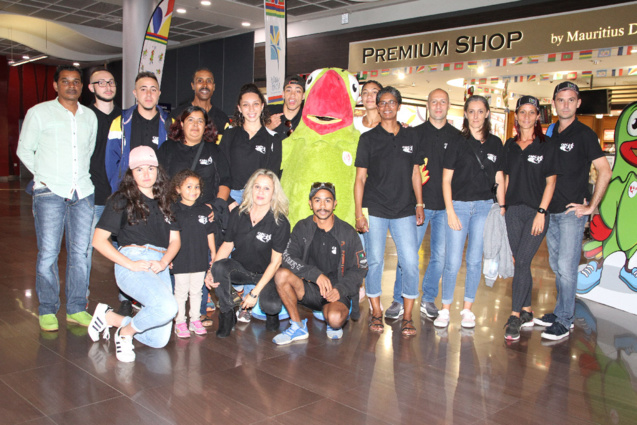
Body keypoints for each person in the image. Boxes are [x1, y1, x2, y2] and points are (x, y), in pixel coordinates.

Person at [17, 65, 97, 332]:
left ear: (82, 87)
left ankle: (76, 308)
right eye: (65, 81)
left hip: (83, 192)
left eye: (76, 82)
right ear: (55, 85)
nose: (71, 86)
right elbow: (24, 150)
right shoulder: (38, 113)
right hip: (49, 192)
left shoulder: (90, 117)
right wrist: (45, 177)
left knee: (80, 253)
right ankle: (48, 309)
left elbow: (89, 149)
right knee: (49, 254)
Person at [534, 82, 612, 340]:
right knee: (557, 266)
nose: (565, 104)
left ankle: (565, 320)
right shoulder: (552, 132)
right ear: (554, 103)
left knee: (566, 269)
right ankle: (560, 312)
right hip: (551, 212)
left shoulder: (585, 134)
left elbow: (605, 170)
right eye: (560, 100)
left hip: (571, 213)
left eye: (570, 100)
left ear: (578, 103)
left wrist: (591, 206)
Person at [88, 146, 180, 362]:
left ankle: (109, 317)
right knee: (167, 307)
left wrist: (165, 261)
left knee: (158, 340)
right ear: (131, 173)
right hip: (132, 260)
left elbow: (175, 241)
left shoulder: (166, 200)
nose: (146, 174)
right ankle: (124, 334)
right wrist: (130, 263)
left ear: (158, 169)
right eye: (139, 170)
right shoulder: (121, 199)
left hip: (160, 264)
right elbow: (98, 241)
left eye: (150, 168)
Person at [354, 86, 424, 337]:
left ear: (398, 105)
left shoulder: (411, 137)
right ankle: (375, 311)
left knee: (410, 262)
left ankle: (407, 316)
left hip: (405, 209)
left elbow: (416, 172)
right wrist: (358, 213)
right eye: (382, 102)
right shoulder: (368, 139)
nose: (386, 107)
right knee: (374, 261)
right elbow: (360, 179)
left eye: (391, 102)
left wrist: (419, 203)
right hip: (375, 209)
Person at [434, 95, 505, 328]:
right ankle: (445, 309)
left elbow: (499, 178)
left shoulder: (496, 143)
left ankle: (467, 310)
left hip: (485, 207)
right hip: (460, 207)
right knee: (452, 261)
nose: (476, 116)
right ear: (465, 114)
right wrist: (451, 212)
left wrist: (502, 208)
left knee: (475, 260)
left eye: (480, 111)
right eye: (471, 111)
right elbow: (446, 180)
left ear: (487, 114)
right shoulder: (457, 142)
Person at [159, 105, 231, 324]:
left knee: (201, 261)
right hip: (176, 217)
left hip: (204, 218)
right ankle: (173, 311)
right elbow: (159, 183)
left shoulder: (214, 150)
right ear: (181, 123)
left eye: (200, 121)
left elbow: (226, 181)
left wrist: (216, 206)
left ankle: (197, 312)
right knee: (175, 262)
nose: (195, 125)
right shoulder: (168, 148)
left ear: (206, 125)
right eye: (190, 120)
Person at [272, 183, 368, 344]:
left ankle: (331, 316)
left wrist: (341, 289)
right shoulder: (302, 227)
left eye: (327, 201)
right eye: (317, 200)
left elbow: (360, 268)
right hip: (308, 287)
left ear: (335, 204)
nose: (322, 206)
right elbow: (288, 257)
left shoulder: (348, 232)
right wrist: (315, 275)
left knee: (335, 319)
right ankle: (297, 326)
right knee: (281, 275)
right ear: (310, 204)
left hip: (336, 291)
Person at [393, 88, 460, 320]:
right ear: (427, 106)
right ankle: (399, 298)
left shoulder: (457, 136)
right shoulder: (414, 134)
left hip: (445, 208)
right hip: (417, 205)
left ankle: (429, 299)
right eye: (434, 101)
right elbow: (406, 169)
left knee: (439, 256)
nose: (438, 106)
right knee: (408, 254)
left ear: (448, 105)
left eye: (443, 101)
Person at [205, 169, 290, 338]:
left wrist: (253, 293)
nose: (261, 192)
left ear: (274, 193)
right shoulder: (238, 213)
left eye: (267, 188)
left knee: (271, 306)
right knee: (219, 268)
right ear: (251, 188)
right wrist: (210, 271)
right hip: (241, 270)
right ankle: (228, 314)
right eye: (257, 186)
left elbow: (275, 263)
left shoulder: (280, 221)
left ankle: (271, 315)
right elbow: (227, 246)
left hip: (266, 274)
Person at [502, 96, 558, 341]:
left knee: (523, 261)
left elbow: (551, 181)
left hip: (537, 213)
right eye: (522, 112)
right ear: (517, 116)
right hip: (512, 211)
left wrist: (542, 212)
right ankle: (526, 310)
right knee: (520, 262)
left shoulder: (547, 145)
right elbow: (503, 178)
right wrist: (502, 206)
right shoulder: (509, 145)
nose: (526, 116)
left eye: (531, 112)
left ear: (538, 117)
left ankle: (514, 316)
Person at [86, 67, 128, 315]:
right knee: (84, 251)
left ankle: (127, 298)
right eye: (100, 83)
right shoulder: (84, 116)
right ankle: (81, 300)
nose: (107, 86)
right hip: (90, 196)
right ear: (91, 88)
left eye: (111, 82)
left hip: (119, 197)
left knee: (125, 248)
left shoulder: (125, 118)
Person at [170, 170, 218, 338]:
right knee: (181, 292)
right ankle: (180, 321)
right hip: (180, 258)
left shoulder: (205, 210)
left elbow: (210, 233)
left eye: (197, 187)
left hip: (199, 258)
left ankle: (195, 319)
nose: (193, 190)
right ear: (178, 189)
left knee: (197, 291)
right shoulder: (173, 210)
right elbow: (168, 236)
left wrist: (213, 252)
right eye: (188, 186)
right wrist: (167, 257)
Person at [105, 71, 172, 193]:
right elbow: (111, 162)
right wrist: (118, 187)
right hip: (127, 192)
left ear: (159, 93)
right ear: (135, 93)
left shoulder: (170, 123)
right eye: (143, 89)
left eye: (153, 89)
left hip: (159, 193)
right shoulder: (120, 122)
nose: (148, 94)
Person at [219, 83, 282, 207]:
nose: (251, 109)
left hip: (259, 199)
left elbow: (272, 176)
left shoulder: (273, 138)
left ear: (262, 106)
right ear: (239, 108)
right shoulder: (230, 134)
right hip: (232, 198)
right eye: (246, 105)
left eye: (255, 104)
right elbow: (221, 170)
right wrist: (229, 202)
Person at [169, 68, 229, 140]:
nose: (204, 85)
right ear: (193, 86)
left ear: (214, 87)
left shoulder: (222, 118)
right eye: (200, 81)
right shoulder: (178, 114)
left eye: (209, 81)